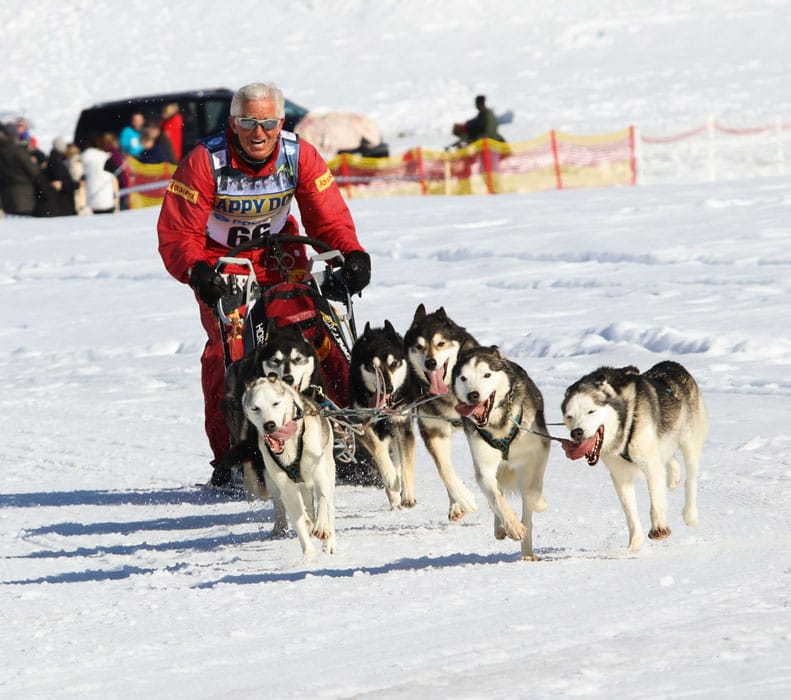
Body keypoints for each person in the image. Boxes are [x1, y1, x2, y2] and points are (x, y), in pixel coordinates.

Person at [157, 81, 371, 489]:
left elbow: (328, 217)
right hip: (223, 264)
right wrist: (196, 271)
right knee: (230, 350)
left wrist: (351, 254)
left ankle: (350, 437)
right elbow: (178, 232)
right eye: (248, 122)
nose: (259, 133)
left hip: (280, 254)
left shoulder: (298, 154)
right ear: (233, 124)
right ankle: (231, 455)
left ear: (281, 122)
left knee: (312, 333)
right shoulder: (205, 161)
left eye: (268, 123)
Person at [0, 122, 41, 215]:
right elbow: (34, 171)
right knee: (25, 226)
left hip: (5, 196)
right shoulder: (18, 151)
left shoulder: (2, 150)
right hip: (24, 196)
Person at [82, 134, 119, 214]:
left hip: (92, 199)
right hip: (106, 199)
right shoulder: (103, 158)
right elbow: (116, 172)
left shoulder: (85, 158)